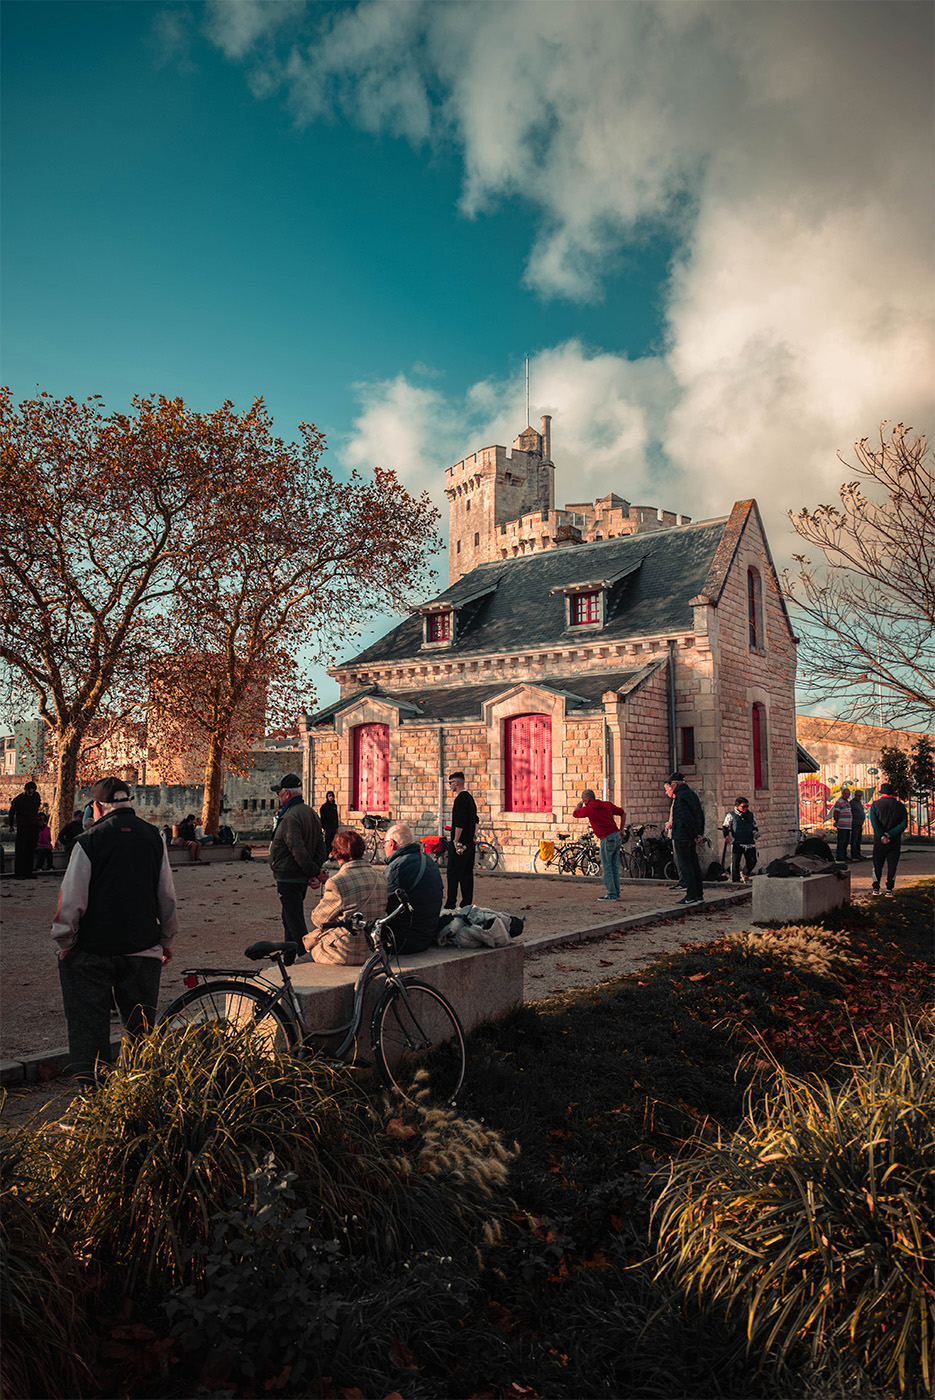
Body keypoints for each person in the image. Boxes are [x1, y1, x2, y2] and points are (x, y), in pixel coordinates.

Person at [51, 776, 178, 1084]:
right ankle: (139, 1098)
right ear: (128, 802)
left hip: (94, 948)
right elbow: (166, 895)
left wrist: (66, 940)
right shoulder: (153, 837)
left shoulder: (88, 841)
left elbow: (72, 900)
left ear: (96, 807)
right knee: (141, 1030)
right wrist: (165, 939)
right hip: (143, 947)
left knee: (88, 1030)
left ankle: (94, 1102)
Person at [303, 827, 386, 964]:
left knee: (300, 962)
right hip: (372, 949)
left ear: (336, 854)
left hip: (343, 951)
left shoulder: (337, 882)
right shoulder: (381, 878)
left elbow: (319, 920)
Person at [268, 773, 325, 959]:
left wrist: (314, 871)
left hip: (288, 874)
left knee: (294, 919)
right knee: (288, 917)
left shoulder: (291, 816)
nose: (278, 797)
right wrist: (314, 870)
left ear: (286, 793)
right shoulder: (310, 812)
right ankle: (289, 956)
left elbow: (296, 849)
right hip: (298, 874)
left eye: (279, 793)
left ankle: (304, 955)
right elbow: (320, 845)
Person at [383, 821, 444, 952]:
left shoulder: (397, 867)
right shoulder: (429, 861)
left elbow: (386, 904)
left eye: (384, 843)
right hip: (426, 935)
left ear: (391, 844)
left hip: (403, 939)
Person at [572, 788, 627, 901]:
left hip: (606, 838)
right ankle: (616, 892)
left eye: (583, 799)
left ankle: (611, 894)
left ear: (587, 799)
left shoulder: (588, 809)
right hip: (616, 836)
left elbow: (575, 814)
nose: (583, 801)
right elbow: (622, 813)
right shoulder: (606, 804)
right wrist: (621, 830)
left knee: (607, 867)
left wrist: (579, 806)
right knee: (614, 867)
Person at [667, 772, 706, 906]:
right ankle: (698, 894)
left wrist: (693, 834)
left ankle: (690, 895)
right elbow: (700, 814)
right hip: (690, 835)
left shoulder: (680, 797)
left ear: (674, 784)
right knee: (694, 865)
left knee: (685, 865)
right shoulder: (692, 795)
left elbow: (685, 817)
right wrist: (699, 833)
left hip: (682, 835)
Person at [869, 783, 909, 898]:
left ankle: (876, 888)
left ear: (882, 793)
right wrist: (890, 834)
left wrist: (882, 835)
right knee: (892, 865)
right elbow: (903, 824)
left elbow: (874, 823)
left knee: (877, 864)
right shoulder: (900, 806)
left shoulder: (875, 805)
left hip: (879, 841)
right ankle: (889, 889)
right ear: (892, 793)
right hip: (894, 841)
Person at [446, 771, 478, 909]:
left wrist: (455, 840)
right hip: (470, 843)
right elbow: (476, 819)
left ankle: (451, 903)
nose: (450, 786)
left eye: (450, 783)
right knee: (467, 874)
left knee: (453, 873)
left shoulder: (460, 799)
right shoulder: (470, 799)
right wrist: (475, 835)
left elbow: (459, 822)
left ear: (456, 783)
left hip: (460, 843)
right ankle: (466, 903)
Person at [8, 780, 42, 878]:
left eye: (32, 792)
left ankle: (28, 872)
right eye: (29, 792)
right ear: (25, 790)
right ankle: (19, 873)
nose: (31, 794)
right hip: (23, 826)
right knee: (21, 850)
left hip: (33, 826)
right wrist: (11, 825)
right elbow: (12, 812)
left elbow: (37, 808)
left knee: (31, 849)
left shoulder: (36, 796)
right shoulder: (18, 799)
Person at [722, 798, 758, 883]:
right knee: (736, 862)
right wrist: (726, 836)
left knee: (752, 861)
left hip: (749, 841)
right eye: (743, 806)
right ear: (737, 806)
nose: (746, 808)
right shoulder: (731, 815)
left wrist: (755, 832)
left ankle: (745, 874)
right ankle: (736, 881)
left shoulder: (750, 815)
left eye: (747, 806)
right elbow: (725, 826)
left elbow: (755, 826)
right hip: (737, 841)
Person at [831, 786, 853, 862]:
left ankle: (844, 855)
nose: (847, 795)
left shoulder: (847, 802)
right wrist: (837, 821)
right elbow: (836, 812)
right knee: (841, 841)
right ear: (843, 794)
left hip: (848, 826)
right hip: (842, 825)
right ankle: (840, 856)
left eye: (848, 794)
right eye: (846, 793)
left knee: (846, 842)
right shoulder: (839, 802)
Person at [319, 790, 340, 857]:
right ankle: (326, 856)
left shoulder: (334, 806)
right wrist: (324, 827)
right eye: (329, 796)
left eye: (332, 796)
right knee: (327, 842)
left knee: (333, 842)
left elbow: (336, 816)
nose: (331, 798)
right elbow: (323, 817)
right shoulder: (324, 807)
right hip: (327, 828)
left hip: (333, 827)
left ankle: (332, 855)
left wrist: (337, 827)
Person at [849, 790, 866, 860]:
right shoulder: (852, 803)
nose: (859, 797)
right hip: (854, 823)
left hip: (859, 823)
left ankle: (858, 853)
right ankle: (854, 854)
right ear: (855, 795)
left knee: (859, 839)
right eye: (858, 796)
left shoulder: (859, 803)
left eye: (860, 796)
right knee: (854, 839)